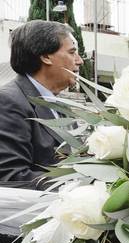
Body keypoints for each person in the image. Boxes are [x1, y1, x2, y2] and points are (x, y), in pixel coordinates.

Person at [0, 20, 82, 187]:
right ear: (45, 56)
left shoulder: (59, 105)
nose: (79, 61)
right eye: (72, 52)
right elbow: (11, 176)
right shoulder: (8, 101)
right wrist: (79, 188)